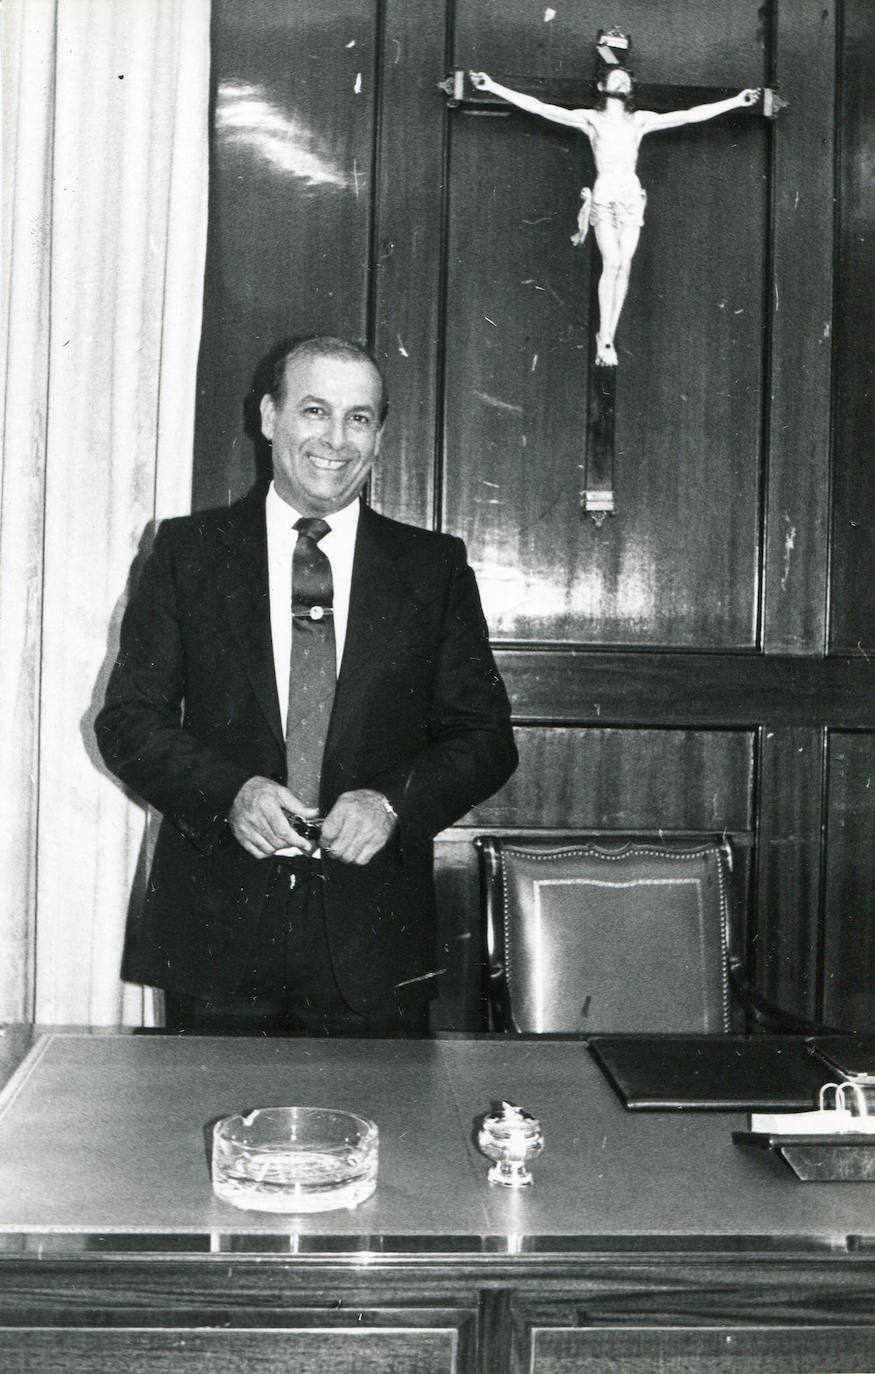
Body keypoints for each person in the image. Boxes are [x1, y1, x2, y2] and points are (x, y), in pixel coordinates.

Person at [95, 335, 518, 1035]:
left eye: (359, 418)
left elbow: (484, 739)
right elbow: (128, 722)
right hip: (215, 932)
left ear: (378, 434)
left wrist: (390, 803)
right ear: (268, 418)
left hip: (375, 943)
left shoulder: (431, 568)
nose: (335, 439)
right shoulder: (187, 553)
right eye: (314, 411)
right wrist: (230, 793)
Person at [469, 68, 760, 366]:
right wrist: (492, 86)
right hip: (605, 198)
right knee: (613, 262)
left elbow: (689, 115)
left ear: (631, 87)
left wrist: (737, 102)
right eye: (614, 76)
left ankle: (608, 337)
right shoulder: (591, 121)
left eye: (625, 78)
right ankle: (603, 336)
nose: (620, 80)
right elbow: (540, 108)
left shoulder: (640, 121)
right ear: (602, 85)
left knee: (625, 265)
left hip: (631, 200)